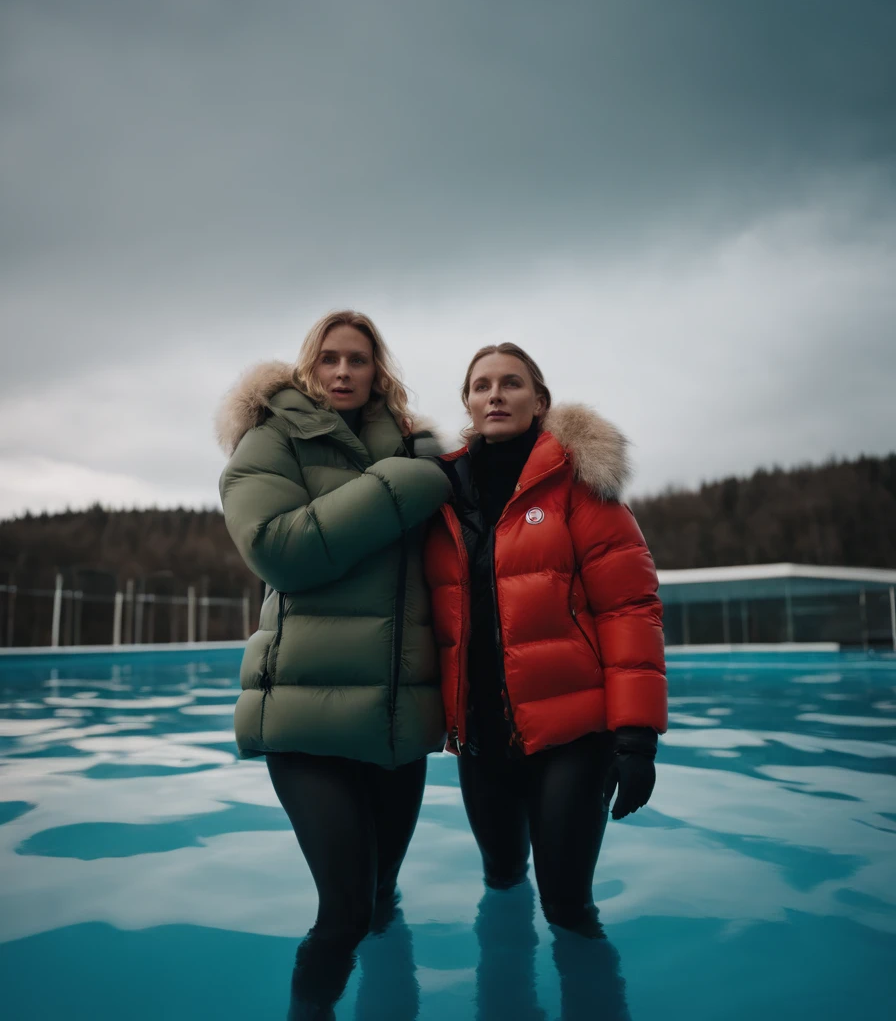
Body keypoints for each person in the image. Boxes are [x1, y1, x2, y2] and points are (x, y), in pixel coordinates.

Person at [216, 310, 451, 1015]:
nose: (344, 372)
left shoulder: (414, 447)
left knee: (382, 902)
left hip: (393, 720)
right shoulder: (271, 438)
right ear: (307, 368)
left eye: (358, 360)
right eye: (329, 360)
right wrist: (408, 483)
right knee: (344, 914)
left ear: (379, 370)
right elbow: (280, 549)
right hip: (302, 715)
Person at [425, 342, 667, 937]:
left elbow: (630, 608)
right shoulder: (440, 492)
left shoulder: (578, 484)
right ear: (468, 402)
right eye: (482, 386)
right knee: (502, 880)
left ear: (539, 400)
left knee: (566, 904)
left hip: (572, 736)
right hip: (481, 737)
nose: (496, 395)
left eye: (511, 383)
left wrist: (636, 737)